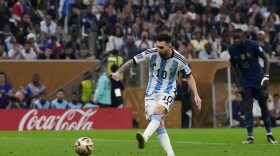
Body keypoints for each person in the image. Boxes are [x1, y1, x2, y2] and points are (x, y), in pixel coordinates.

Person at [111, 34, 202, 156]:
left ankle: (144, 137)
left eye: (161, 47)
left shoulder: (180, 60)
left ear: (170, 46)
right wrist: (119, 71)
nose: (158, 50)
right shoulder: (151, 53)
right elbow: (132, 61)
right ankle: (171, 154)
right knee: (159, 124)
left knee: (158, 111)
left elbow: (189, 77)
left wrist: (196, 95)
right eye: (157, 46)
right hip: (151, 93)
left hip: (168, 91)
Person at [228, 28, 278, 144]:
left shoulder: (253, 45)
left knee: (263, 105)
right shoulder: (232, 49)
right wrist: (238, 85)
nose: (236, 40)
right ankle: (250, 137)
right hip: (245, 81)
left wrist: (266, 76)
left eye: (238, 37)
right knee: (247, 107)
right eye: (234, 38)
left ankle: (269, 135)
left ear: (243, 37)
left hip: (259, 79)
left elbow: (266, 57)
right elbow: (234, 67)